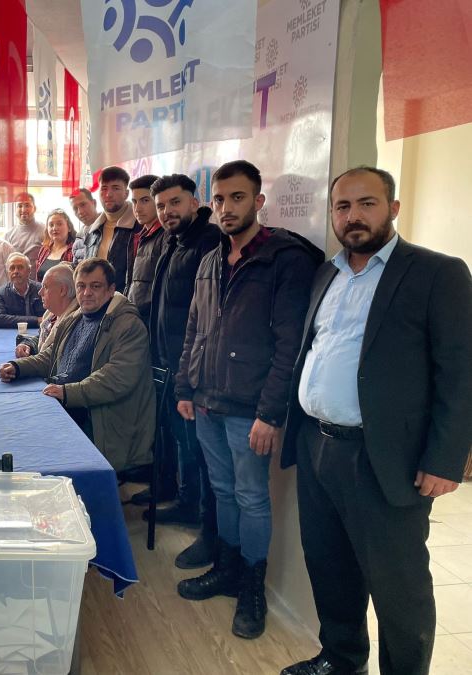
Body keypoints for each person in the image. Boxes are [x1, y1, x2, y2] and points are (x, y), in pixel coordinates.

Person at [279, 167, 472, 675]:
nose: (353, 216)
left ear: (393, 208)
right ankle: (342, 660)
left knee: (398, 587)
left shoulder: (437, 273)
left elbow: (460, 373)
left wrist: (445, 459)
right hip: (317, 445)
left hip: (384, 457)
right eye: (343, 207)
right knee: (329, 566)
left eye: (367, 203)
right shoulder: (327, 273)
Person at [175, 160, 321, 640]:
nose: (226, 207)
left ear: (258, 201)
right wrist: (185, 387)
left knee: (252, 496)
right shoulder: (211, 259)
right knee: (223, 491)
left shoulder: (285, 259)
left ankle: (252, 589)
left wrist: (270, 414)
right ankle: (228, 570)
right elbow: (195, 329)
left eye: (237, 197)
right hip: (206, 401)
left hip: (250, 410)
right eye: (219, 199)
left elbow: (289, 345)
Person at [0, 258, 154, 472]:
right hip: (69, 407)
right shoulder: (76, 317)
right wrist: (17, 367)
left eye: (95, 286)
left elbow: (116, 378)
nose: (86, 293)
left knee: (26, 442)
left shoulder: (128, 325)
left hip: (102, 423)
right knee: (9, 423)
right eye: (81, 286)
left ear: (111, 290)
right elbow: (50, 357)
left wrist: (67, 393)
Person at [144, 174, 221, 569]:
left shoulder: (209, 242)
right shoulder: (173, 241)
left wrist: (188, 372)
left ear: (195, 201)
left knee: (201, 453)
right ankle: (186, 502)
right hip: (169, 364)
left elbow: (205, 316)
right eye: (161, 206)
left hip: (193, 371)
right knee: (181, 442)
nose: (167, 211)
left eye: (175, 203)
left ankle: (207, 529)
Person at [72, 166, 141, 293]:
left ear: (126, 194)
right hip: (94, 300)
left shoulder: (139, 227)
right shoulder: (93, 230)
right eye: (104, 188)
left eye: (116, 188)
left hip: (124, 301)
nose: (109, 194)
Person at [15, 262, 77, 358]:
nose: (40, 292)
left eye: (45, 287)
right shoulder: (51, 315)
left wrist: (17, 365)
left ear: (62, 290)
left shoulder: (74, 323)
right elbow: (43, 339)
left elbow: (48, 358)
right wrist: (28, 345)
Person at [125, 174, 163, 322]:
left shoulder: (166, 236)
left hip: (151, 321)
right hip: (134, 318)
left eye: (145, 200)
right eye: (134, 202)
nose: (137, 208)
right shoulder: (139, 236)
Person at [0, 253, 45, 329]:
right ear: (8, 272)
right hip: (11, 334)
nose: (16, 271)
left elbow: (50, 315)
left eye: (20, 267)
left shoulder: (41, 289)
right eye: (12, 268)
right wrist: (36, 320)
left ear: (29, 271)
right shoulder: (0, 293)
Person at [34, 209, 76, 281]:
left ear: (69, 228)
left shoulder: (74, 251)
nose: (55, 228)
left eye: (59, 224)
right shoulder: (44, 249)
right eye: (51, 225)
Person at [5, 192, 46, 267]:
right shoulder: (8, 234)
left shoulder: (45, 231)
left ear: (34, 208)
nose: (23, 210)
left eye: (27, 205)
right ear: (15, 209)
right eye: (20, 206)